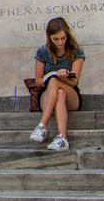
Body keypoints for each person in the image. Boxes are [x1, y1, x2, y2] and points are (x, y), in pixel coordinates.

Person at [29, 17, 85, 151]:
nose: (60, 42)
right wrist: (50, 77)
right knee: (56, 88)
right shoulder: (42, 52)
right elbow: (38, 81)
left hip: (71, 92)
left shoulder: (76, 51)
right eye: (56, 39)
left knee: (58, 84)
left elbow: (74, 82)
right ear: (49, 37)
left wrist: (64, 78)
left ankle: (42, 126)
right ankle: (62, 138)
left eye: (63, 38)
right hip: (47, 93)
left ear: (67, 35)